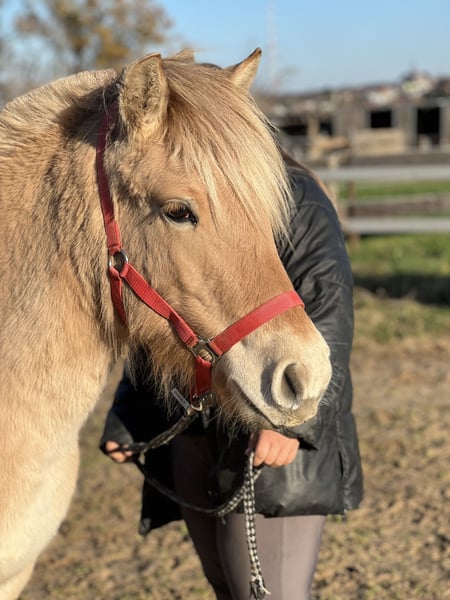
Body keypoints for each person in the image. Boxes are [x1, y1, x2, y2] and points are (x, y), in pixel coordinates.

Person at [100, 156, 363, 600]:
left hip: (269, 433)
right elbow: (162, 304)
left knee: (268, 593)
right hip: (194, 432)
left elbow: (329, 308)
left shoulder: (297, 196)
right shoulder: (197, 193)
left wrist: (290, 427)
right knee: (225, 584)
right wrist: (131, 412)